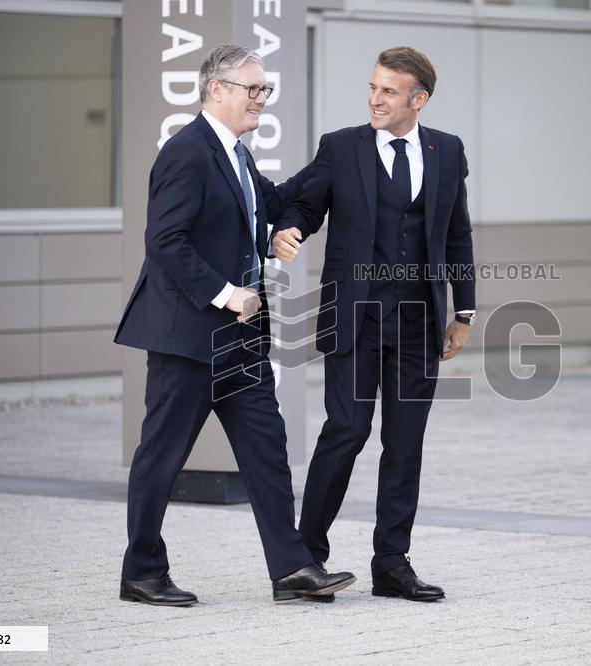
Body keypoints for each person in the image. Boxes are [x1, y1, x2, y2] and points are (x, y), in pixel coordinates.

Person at [114, 44, 355, 606]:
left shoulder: (237, 156)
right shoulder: (187, 152)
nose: (261, 100)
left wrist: (333, 164)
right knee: (163, 456)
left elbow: (276, 203)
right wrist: (227, 295)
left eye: (265, 90)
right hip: (189, 336)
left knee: (267, 449)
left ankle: (293, 568)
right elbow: (164, 242)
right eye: (253, 89)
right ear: (215, 89)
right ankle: (141, 572)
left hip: (240, 340)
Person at [272, 46, 476, 602]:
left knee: (405, 442)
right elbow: (303, 206)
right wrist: (284, 229)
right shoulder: (341, 148)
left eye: (388, 90)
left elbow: (457, 234)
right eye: (373, 87)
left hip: (419, 322)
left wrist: (463, 311)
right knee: (347, 431)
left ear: (419, 99)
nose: (374, 99)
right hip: (355, 318)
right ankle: (305, 559)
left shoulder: (447, 150)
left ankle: (392, 563)